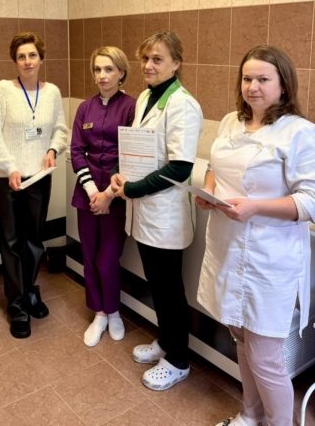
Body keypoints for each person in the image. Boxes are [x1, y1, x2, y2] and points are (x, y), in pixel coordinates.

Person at [196, 46, 315, 426]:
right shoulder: (231, 121)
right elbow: (215, 165)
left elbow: (310, 201)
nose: (253, 87)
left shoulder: (299, 132)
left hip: (270, 257)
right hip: (227, 246)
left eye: (263, 79)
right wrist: (209, 192)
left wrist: (255, 207)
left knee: (266, 357)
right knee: (241, 340)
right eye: (247, 78)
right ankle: (250, 415)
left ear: (284, 85)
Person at [111, 30, 203, 391]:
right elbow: (140, 149)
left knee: (169, 288)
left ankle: (178, 360)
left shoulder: (183, 104)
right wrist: (121, 173)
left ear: (176, 63)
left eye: (157, 59)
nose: (148, 65)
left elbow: (179, 167)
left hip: (165, 214)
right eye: (145, 58)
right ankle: (166, 342)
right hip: (145, 211)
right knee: (157, 283)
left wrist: (133, 189)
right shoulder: (147, 97)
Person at [0, 32, 67, 339]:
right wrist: (10, 167)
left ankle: (30, 290)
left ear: (41, 58)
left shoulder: (53, 92)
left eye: (32, 55)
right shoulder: (3, 90)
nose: (27, 61)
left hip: (39, 177)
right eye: (21, 57)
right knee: (11, 241)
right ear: (15, 61)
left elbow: (60, 129)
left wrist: (53, 150)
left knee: (34, 239)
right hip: (7, 178)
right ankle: (17, 304)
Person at [71, 47, 136, 347]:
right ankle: (99, 313)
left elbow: (131, 155)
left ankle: (114, 311)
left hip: (117, 196)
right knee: (90, 257)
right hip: (87, 195)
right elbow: (77, 152)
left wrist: (108, 194)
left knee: (108, 259)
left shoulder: (132, 107)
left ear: (121, 72)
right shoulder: (85, 108)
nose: (102, 75)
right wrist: (92, 192)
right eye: (97, 69)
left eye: (109, 69)